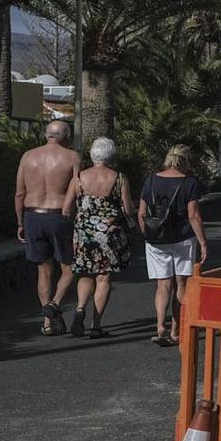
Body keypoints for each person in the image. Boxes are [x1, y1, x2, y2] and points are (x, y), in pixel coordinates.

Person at [14, 119, 80, 335]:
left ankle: (47, 322)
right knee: (69, 268)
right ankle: (54, 304)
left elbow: (19, 193)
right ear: (67, 136)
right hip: (60, 215)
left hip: (33, 215)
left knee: (43, 270)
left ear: (47, 135)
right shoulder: (72, 157)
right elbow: (78, 190)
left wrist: (20, 222)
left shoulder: (28, 157)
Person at [63, 137, 133, 339]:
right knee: (104, 276)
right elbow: (128, 209)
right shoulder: (119, 178)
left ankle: (79, 308)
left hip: (84, 234)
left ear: (93, 155)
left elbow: (66, 209)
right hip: (109, 234)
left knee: (85, 273)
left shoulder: (79, 178)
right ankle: (96, 325)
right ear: (112, 155)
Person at [139, 145, 208, 347]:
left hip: (156, 239)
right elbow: (193, 215)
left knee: (163, 285)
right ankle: (175, 330)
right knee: (182, 284)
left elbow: (141, 212)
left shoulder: (151, 180)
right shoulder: (190, 183)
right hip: (183, 238)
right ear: (185, 161)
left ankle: (160, 324)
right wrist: (203, 242)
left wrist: (147, 233)